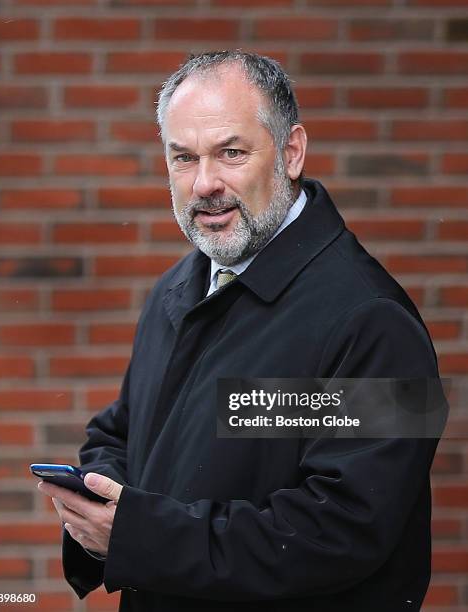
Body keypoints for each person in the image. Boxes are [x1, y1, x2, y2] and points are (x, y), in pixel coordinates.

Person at [38, 51, 443, 611]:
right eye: (183, 158)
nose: (205, 184)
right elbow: (123, 434)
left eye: (230, 153)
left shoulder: (371, 319)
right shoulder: (178, 289)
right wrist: (100, 503)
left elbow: (342, 530)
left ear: (291, 151)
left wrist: (140, 535)